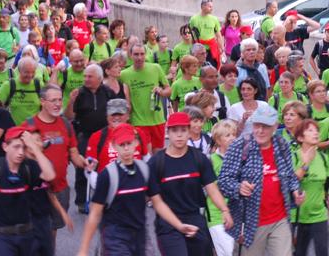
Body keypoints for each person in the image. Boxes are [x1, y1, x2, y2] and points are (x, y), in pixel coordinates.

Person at [78, 122, 197, 256]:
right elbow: (95, 214)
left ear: (136, 143)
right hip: (115, 236)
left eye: (129, 143)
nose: (126, 149)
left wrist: (179, 225)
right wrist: (83, 249)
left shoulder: (144, 170)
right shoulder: (107, 175)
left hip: (140, 235)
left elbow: (158, 203)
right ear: (114, 146)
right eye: (121, 145)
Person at [218, 106, 304, 255]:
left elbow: (289, 175)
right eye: (257, 125)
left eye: (266, 126)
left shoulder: (282, 144)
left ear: (275, 126)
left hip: (280, 219)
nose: (260, 130)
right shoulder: (240, 146)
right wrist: (238, 187)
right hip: (251, 223)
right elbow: (223, 181)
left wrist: (295, 190)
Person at [147, 112, 233, 256]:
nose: (179, 135)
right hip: (168, 224)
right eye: (175, 131)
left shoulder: (199, 159)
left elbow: (212, 188)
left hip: (195, 219)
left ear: (189, 131)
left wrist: (225, 210)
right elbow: (157, 202)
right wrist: (178, 225)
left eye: (183, 130)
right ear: (168, 133)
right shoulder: (156, 163)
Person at [0, 126, 56, 255]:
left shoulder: (29, 167)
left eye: (23, 147)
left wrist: (35, 148)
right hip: (1, 235)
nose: (20, 152)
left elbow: (49, 175)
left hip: (27, 234)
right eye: (16, 147)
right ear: (5, 147)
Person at [22, 84, 87, 246]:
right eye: (53, 100)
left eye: (59, 100)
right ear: (42, 101)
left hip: (60, 189)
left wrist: (85, 163)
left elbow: (74, 154)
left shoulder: (65, 124)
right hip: (37, 192)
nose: (58, 104)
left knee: (51, 233)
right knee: (33, 233)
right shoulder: (28, 126)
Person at [64, 64, 114, 212]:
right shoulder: (78, 93)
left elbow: (114, 112)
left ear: (99, 78)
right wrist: (71, 101)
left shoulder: (108, 92)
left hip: (104, 135)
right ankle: (82, 201)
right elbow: (68, 116)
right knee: (83, 169)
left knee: (105, 167)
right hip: (84, 135)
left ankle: (105, 199)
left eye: (89, 76)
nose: (86, 79)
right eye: (85, 76)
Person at [120, 43, 171, 153]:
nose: (139, 58)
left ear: (146, 54)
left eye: (142, 54)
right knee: (145, 156)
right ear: (130, 55)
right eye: (136, 54)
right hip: (138, 122)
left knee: (158, 157)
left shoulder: (155, 68)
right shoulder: (124, 74)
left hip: (157, 120)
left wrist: (161, 91)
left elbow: (168, 90)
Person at [291, 119, 329, 256]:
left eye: (317, 130)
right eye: (310, 130)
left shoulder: (324, 158)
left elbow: (326, 186)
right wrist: (305, 164)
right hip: (298, 216)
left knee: (322, 252)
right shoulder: (294, 157)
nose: (316, 133)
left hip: (319, 215)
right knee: (299, 252)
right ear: (300, 137)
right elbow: (291, 181)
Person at [85, 99, 150, 173]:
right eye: (113, 114)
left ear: (128, 115)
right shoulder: (97, 137)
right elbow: (89, 169)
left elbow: (146, 159)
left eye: (120, 114)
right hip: (109, 182)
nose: (116, 117)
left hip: (135, 181)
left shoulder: (138, 133)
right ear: (107, 116)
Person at [206, 120, 237, 256]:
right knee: (228, 252)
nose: (232, 138)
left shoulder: (240, 159)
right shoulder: (211, 160)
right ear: (218, 140)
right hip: (216, 215)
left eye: (233, 135)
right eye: (227, 135)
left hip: (237, 214)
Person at [0, 57, 42, 125]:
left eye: (33, 72)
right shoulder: (9, 85)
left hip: (34, 129)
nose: (30, 75)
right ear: (19, 71)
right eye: (26, 72)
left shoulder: (38, 85)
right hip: (15, 129)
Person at [189, 0, 224, 68]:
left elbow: (218, 35)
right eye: (210, 6)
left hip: (211, 48)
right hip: (198, 48)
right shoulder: (194, 19)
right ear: (203, 6)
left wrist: (222, 48)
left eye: (212, 6)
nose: (212, 8)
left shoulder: (214, 19)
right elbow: (191, 35)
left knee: (212, 68)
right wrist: (191, 47)